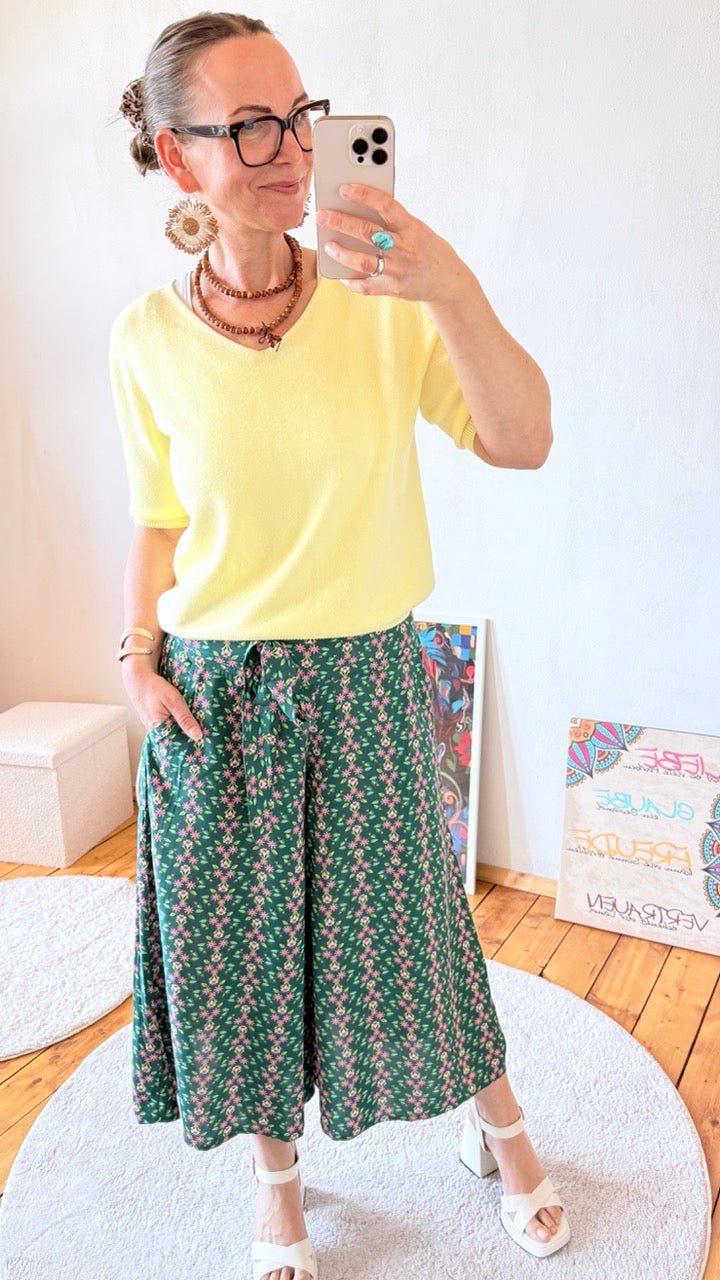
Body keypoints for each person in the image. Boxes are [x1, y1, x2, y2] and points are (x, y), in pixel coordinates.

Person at [109, 12, 570, 1279]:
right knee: (243, 953)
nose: (291, 149)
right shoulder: (144, 338)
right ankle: (278, 1185)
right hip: (214, 689)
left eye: (301, 115)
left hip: (366, 674)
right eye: (249, 126)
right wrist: (136, 658)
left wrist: (449, 284)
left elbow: (525, 438)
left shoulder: (385, 306)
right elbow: (157, 521)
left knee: (419, 930)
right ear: (178, 155)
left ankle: (504, 1131)